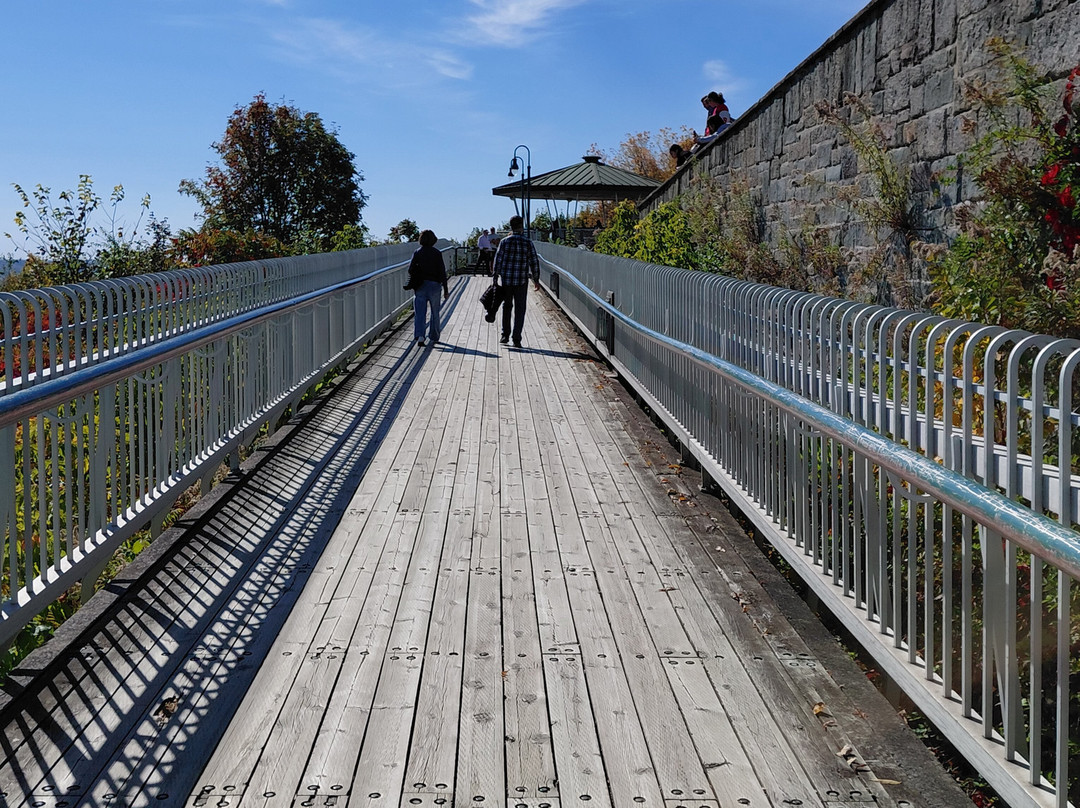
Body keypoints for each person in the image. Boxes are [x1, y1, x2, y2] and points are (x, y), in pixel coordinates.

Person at [491, 214, 540, 348]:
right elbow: (534, 261)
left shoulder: (504, 242)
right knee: (520, 309)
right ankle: (516, 338)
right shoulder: (527, 242)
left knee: (507, 306)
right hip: (521, 280)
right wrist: (536, 279)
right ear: (521, 226)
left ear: (511, 226)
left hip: (506, 279)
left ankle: (505, 335)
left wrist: (495, 276)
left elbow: (498, 259)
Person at [405, 229, 449, 347]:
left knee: (420, 313)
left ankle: (420, 336)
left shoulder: (417, 252)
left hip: (420, 285)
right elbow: (442, 272)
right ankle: (434, 336)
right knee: (435, 312)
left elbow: (410, 269)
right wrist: (446, 289)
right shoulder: (436, 253)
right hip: (434, 285)